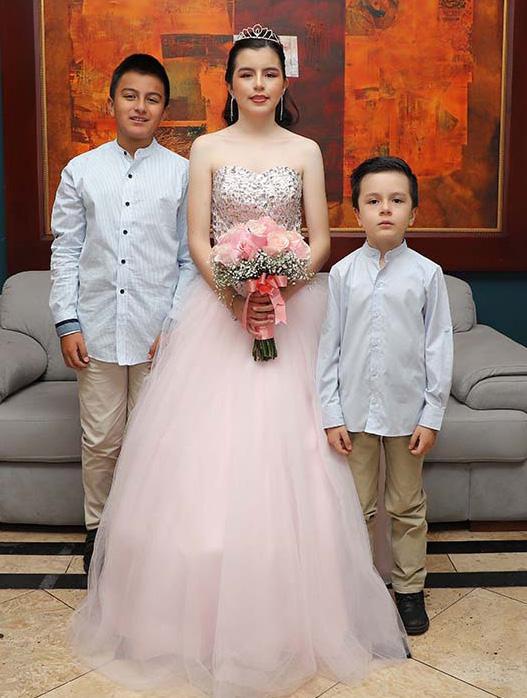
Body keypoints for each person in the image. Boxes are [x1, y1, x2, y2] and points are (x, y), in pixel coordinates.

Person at [71, 28, 408, 697]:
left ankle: (298, 614)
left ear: (284, 83)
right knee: (203, 463)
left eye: (269, 74)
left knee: (298, 457)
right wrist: (235, 295)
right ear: (228, 84)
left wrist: (279, 286)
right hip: (217, 316)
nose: (258, 84)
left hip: (292, 312)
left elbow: (319, 237)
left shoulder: (304, 151)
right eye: (246, 74)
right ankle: (185, 620)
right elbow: (198, 239)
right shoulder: (207, 148)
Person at [49, 54, 195, 573]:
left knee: (153, 442)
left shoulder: (182, 174)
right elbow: (66, 251)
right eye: (130, 96)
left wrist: (174, 324)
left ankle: (146, 536)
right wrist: (67, 321)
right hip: (97, 330)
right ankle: (98, 532)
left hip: (159, 333)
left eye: (152, 99)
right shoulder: (81, 171)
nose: (140, 107)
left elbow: (190, 260)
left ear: (164, 111)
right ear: (111, 102)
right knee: (101, 439)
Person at [317, 156, 453, 635]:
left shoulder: (428, 274)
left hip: (406, 413)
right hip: (354, 413)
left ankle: (409, 590)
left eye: (397, 200)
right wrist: (331, 413)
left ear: (414, 212)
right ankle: (356, 591)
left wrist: (431, 415)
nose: (386, 209)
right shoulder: (342, 274)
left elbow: (438, 347)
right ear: (357, 213)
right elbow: (329, 347)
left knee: (407, 505)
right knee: (355, 507)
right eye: (373, 201)